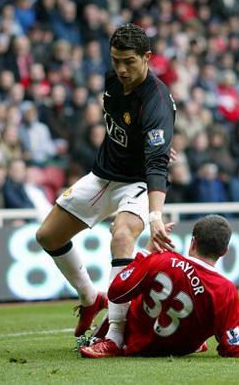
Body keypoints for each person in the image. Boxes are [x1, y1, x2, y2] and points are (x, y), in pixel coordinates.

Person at [36, 24, 176, 346]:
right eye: (116, 61)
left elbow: (157, 165)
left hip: (137, 183)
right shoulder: (112, 79)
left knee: (122, 236)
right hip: (102, 175)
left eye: (129, 61)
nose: (122, 69)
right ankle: (90, 298)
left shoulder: (156, 102)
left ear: (147, 57)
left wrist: (155, 217)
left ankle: (114, 335)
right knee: (47, 236)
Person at [80, 215, 239, 358]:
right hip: (177, 347)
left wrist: (146, 252)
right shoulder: (225, 291)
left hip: (134, 342)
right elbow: (234, 348)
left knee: (133, 288)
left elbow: (118, 292)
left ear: (192, 241)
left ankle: (109, 331)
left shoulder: (162, 259)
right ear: (225, 252)